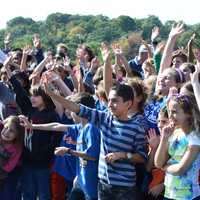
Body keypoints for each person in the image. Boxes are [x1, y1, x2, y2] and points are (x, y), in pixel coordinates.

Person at [44, 81, 148, 200]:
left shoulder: (136, 128)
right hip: (103, 185)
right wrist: (52, 95)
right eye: (109, 100)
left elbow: (142, 157)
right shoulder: (104, 118)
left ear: (128, 103)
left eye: (115, 101)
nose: (109, 104)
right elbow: (77, 108)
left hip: (125, 189)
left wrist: (123, 155)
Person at [20, 92, 101, 200]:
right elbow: (56, 126)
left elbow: (92, 156)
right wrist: (32, 126)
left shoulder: (91, 128)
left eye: (71, 109)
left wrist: (68, 151)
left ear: (78, 111)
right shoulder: (79, 127)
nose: (69, 113)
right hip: (80, 182)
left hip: (90, 186)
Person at [155, 94, 200, 200]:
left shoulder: (195, 138)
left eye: (174, 112)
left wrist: (164, 167)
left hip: (188, 196)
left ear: (188, 114)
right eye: (169, 111)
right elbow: (158, 163)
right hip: (169, 193)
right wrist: (164, 138)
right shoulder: (174, 133)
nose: (170, 116)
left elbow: (180, 169)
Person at [0, 116, 24, 200]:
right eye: (6, 128)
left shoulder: (16, 148)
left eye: (12, 131)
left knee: (7, 194)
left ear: (18, 135)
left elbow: (10, 166)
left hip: (4, 173)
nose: (6, 132)